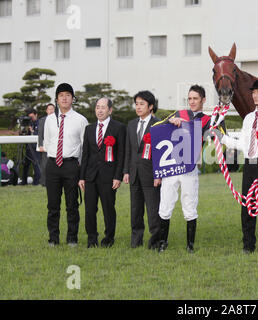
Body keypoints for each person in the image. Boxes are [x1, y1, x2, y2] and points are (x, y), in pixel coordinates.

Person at [213, 79, 258, 255]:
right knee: (247, 207)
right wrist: (222, 138)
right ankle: (248, 245)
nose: (255, 96)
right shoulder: (249, 118)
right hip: (250, 165)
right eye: (253, 93)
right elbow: (243, 144)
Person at [154, 85, 226, 253]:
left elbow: (220, 134)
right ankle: (163, 242)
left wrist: (216, 121)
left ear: (203, 100)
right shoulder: (179, 113)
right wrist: (170, 121)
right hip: (170, 167)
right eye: (190, 98)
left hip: (189, 168)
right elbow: (158, 128)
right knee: (165, 204)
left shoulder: (208, 119)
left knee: (190, 205)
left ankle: (190, 245)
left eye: (195, 98)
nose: (192, 101)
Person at [44, 83, 88, 247]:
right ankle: (53, 238)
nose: (64, 98)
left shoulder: (80, 120)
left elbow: (85, 147)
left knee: (72, 204)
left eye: (68, 95)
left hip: (71, 165)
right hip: (53, 164)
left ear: (73, 99)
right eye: (61, 95)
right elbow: (47, 142)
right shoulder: (49, 120)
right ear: (56, 99)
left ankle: (72, 238)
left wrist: (80, 170)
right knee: (53, 205)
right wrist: (55, 157)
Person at [79, 98, 126, 248]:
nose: (100, 110)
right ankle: (92, 239)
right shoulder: (89, 128)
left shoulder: (118, 128)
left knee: (108, 209)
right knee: (90, 210)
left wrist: (118, 176)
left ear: (110, 110)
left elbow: (121, 154)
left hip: (109, 176)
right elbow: (85, 154)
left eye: (103, 107)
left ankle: (108, 239)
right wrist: (82, 177)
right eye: (97, 107)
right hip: (90, 176)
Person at [123, 91, 161, 249]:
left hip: (151, 175)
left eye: (142, 104)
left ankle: (155, 241)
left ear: (151, 106)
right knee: (135, 209)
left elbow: (160, 152)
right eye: (136, 104)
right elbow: (128, 150)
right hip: (134, 174)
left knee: (153, 210)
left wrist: (158, 174)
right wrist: (126, 171)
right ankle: (136, 241)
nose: (138, 107)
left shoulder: (158, 124)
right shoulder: (131, 125)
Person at [20, 108, 41, 185]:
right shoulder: (29, 123)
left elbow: (40, 134)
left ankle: (36, 182)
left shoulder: (40, 123)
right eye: (30, 117)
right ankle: (24, 182)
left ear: (36, 115)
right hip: (29, 148)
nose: (31, 119)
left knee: (36, 165)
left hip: (35, 147)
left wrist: (32, 131)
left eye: (32, 117)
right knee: (25, 165)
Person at [37, 103, 55, 186]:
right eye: (49, 109)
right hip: (45, 144)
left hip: (55, 144)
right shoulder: (43, 120)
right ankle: (44, 182)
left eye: (52, 109)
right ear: (46, 111)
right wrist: (40, 145)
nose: (51, 111)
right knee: (45, 164)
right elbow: (40, 133)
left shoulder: (58, 119)